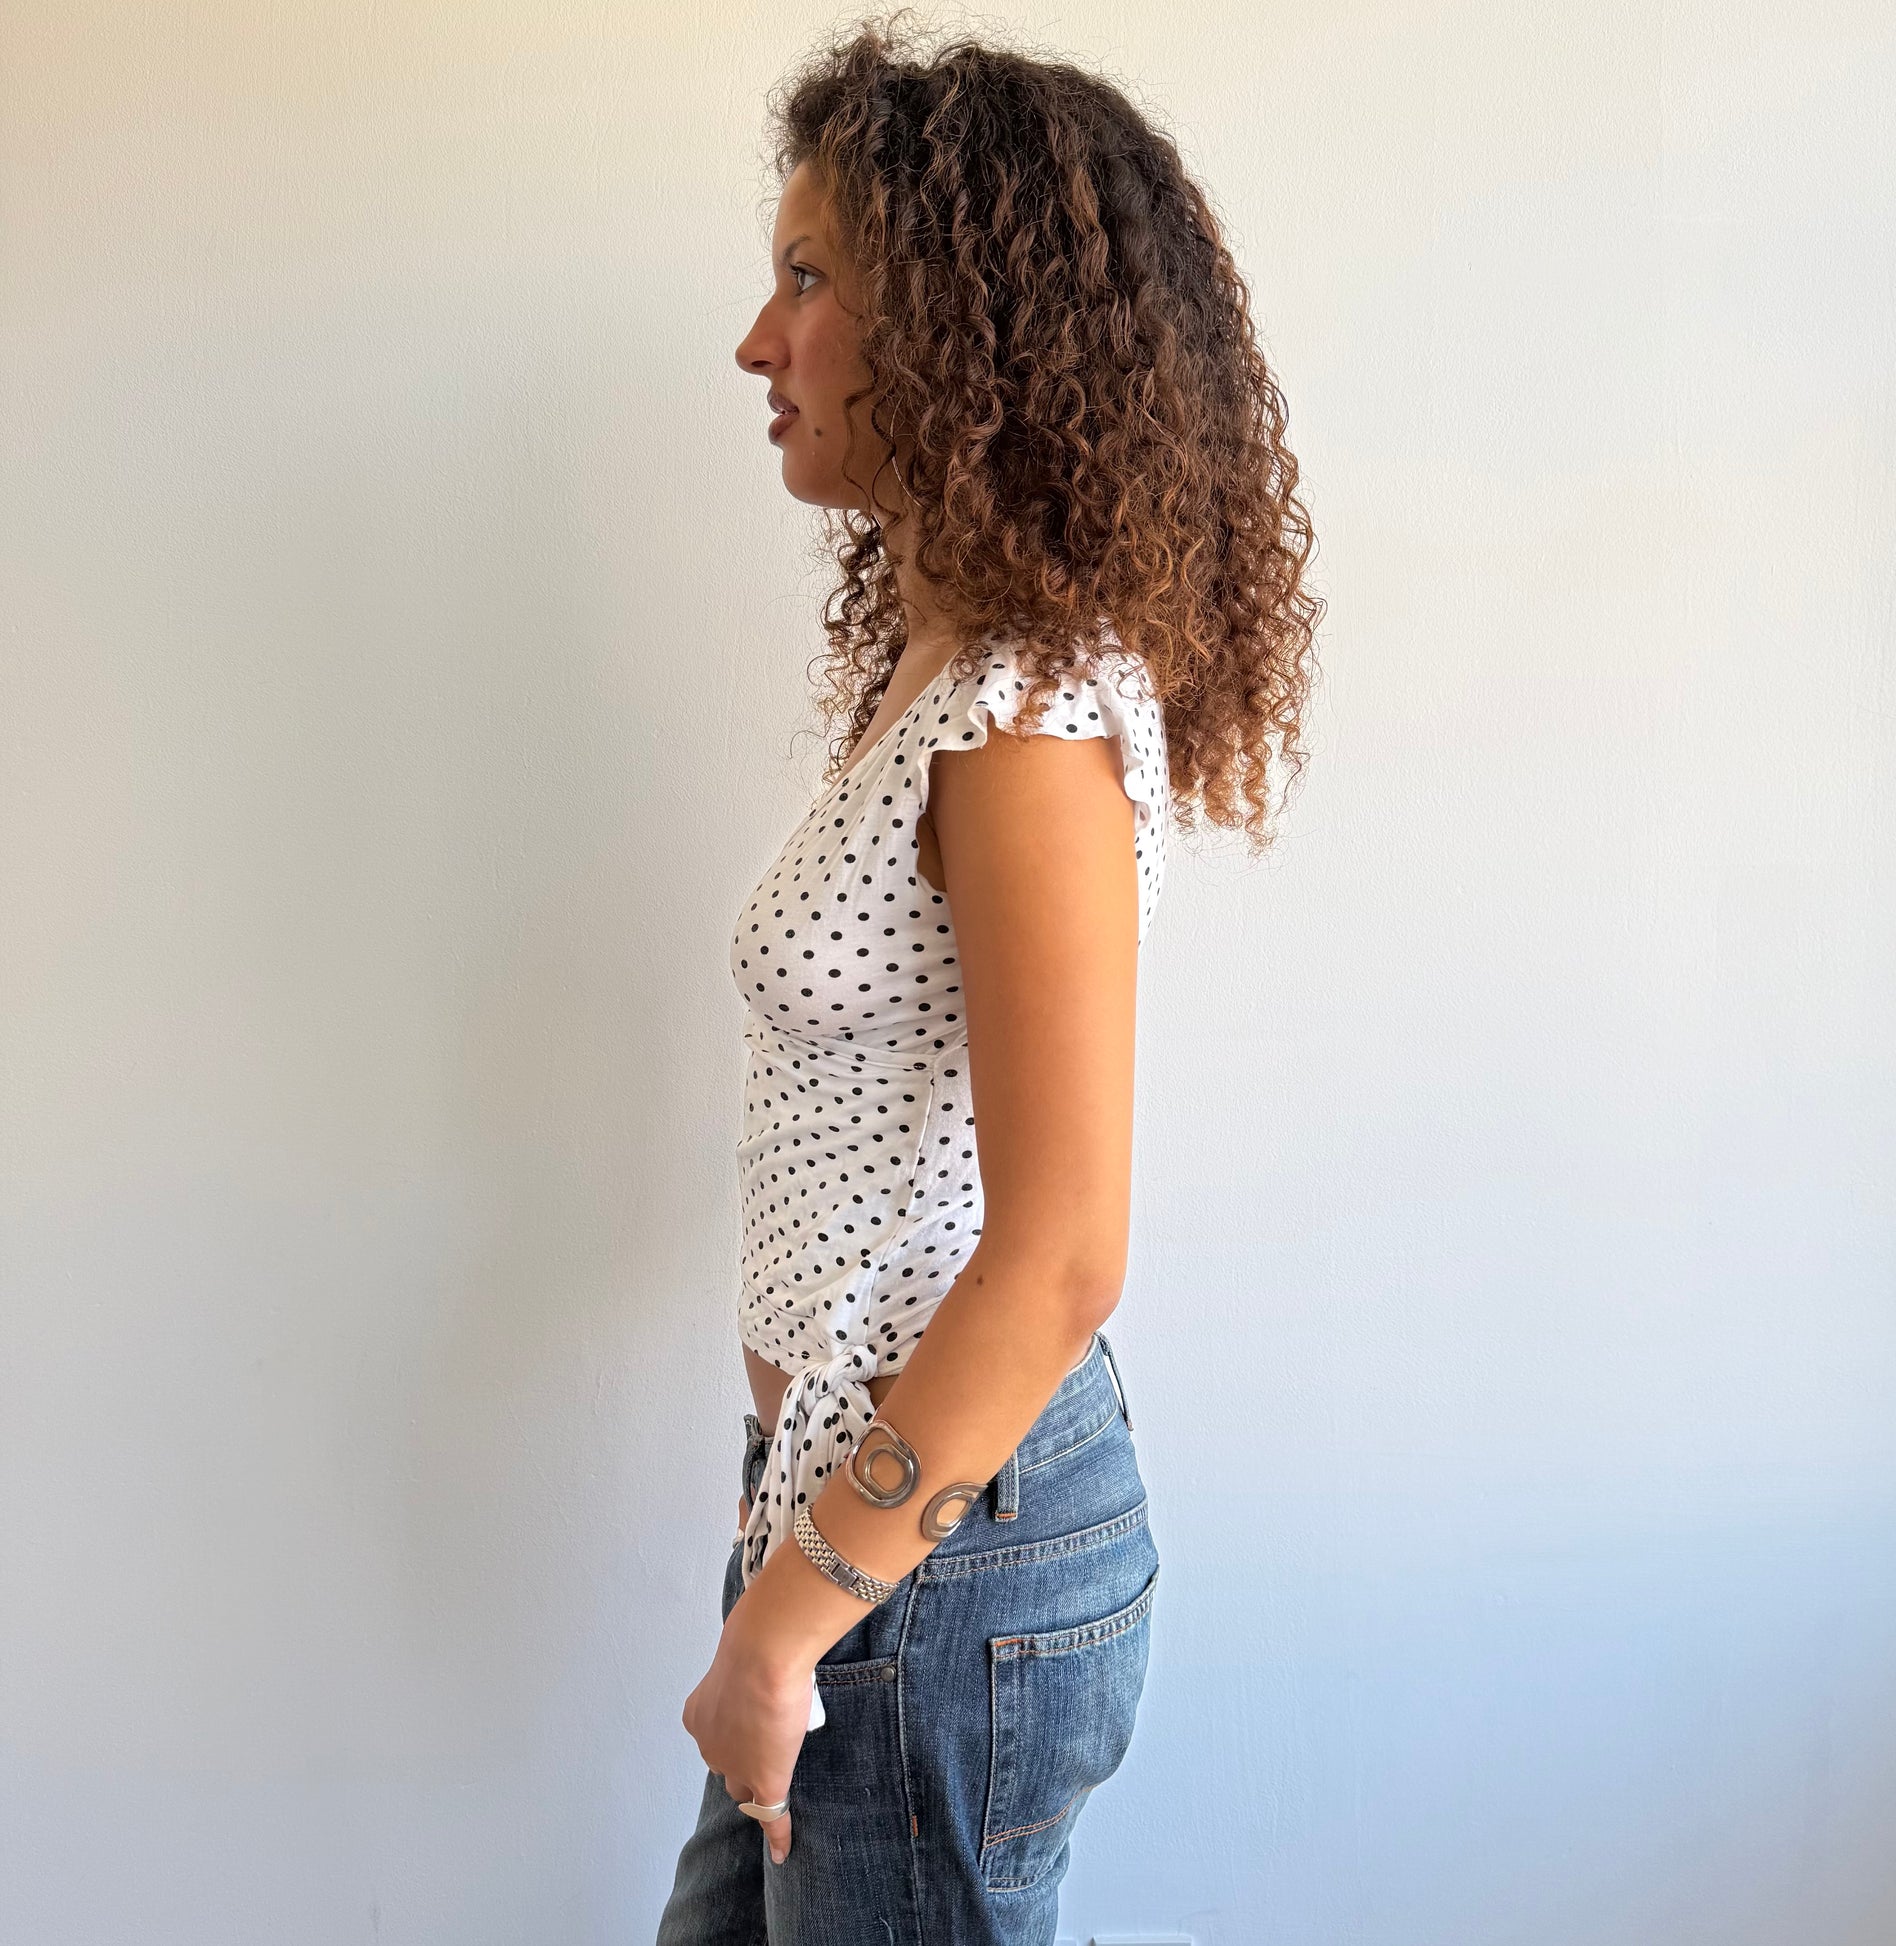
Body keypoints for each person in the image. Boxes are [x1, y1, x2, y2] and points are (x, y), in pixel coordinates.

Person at [657, 19, 1321, 1944]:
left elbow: (1058, 1256)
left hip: (929, 1565)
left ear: (961, 330)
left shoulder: (1021, 724)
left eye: (808, 279)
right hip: (863, 1523)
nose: (758, 341)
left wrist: (790, 1617)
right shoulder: (952, 672)